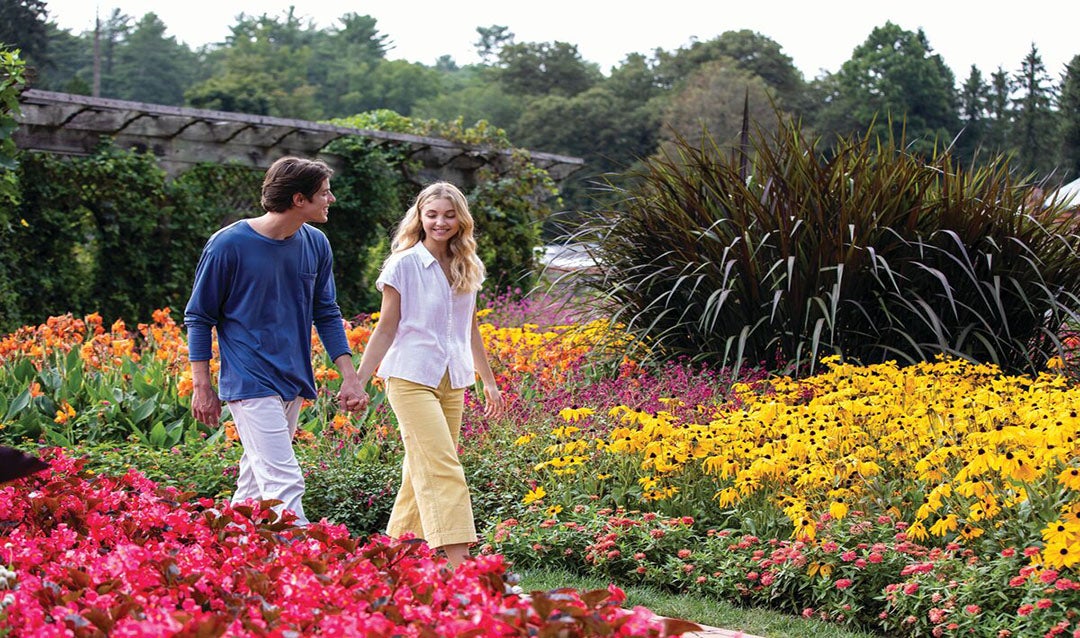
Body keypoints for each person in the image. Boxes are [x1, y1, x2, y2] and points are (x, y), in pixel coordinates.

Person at [184, 156, 365, 526]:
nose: (331, 200)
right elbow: (199, 318)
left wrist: (350, 376)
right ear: (299, 199)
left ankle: (224, 549)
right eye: (324, 194)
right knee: (284, 479)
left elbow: (327, 312)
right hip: (249, 381)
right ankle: (304, 566)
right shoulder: (228, 245)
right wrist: (201, 386)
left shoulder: (316, 244)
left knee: (253, 484)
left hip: (293, 378)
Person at [354, 181, 504, 568]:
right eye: (432, 214)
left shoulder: (468, 265)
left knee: (421, 465)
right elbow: (386, 327)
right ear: (419, 217)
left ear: (461, 219)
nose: (441, 222)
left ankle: (392, 559)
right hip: (409, 376)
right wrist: (357, 379)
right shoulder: (403, 264)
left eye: (449, 215)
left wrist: (488, 381)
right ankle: (460, 564)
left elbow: (469, 328)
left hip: (453, 378)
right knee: (442, 466)